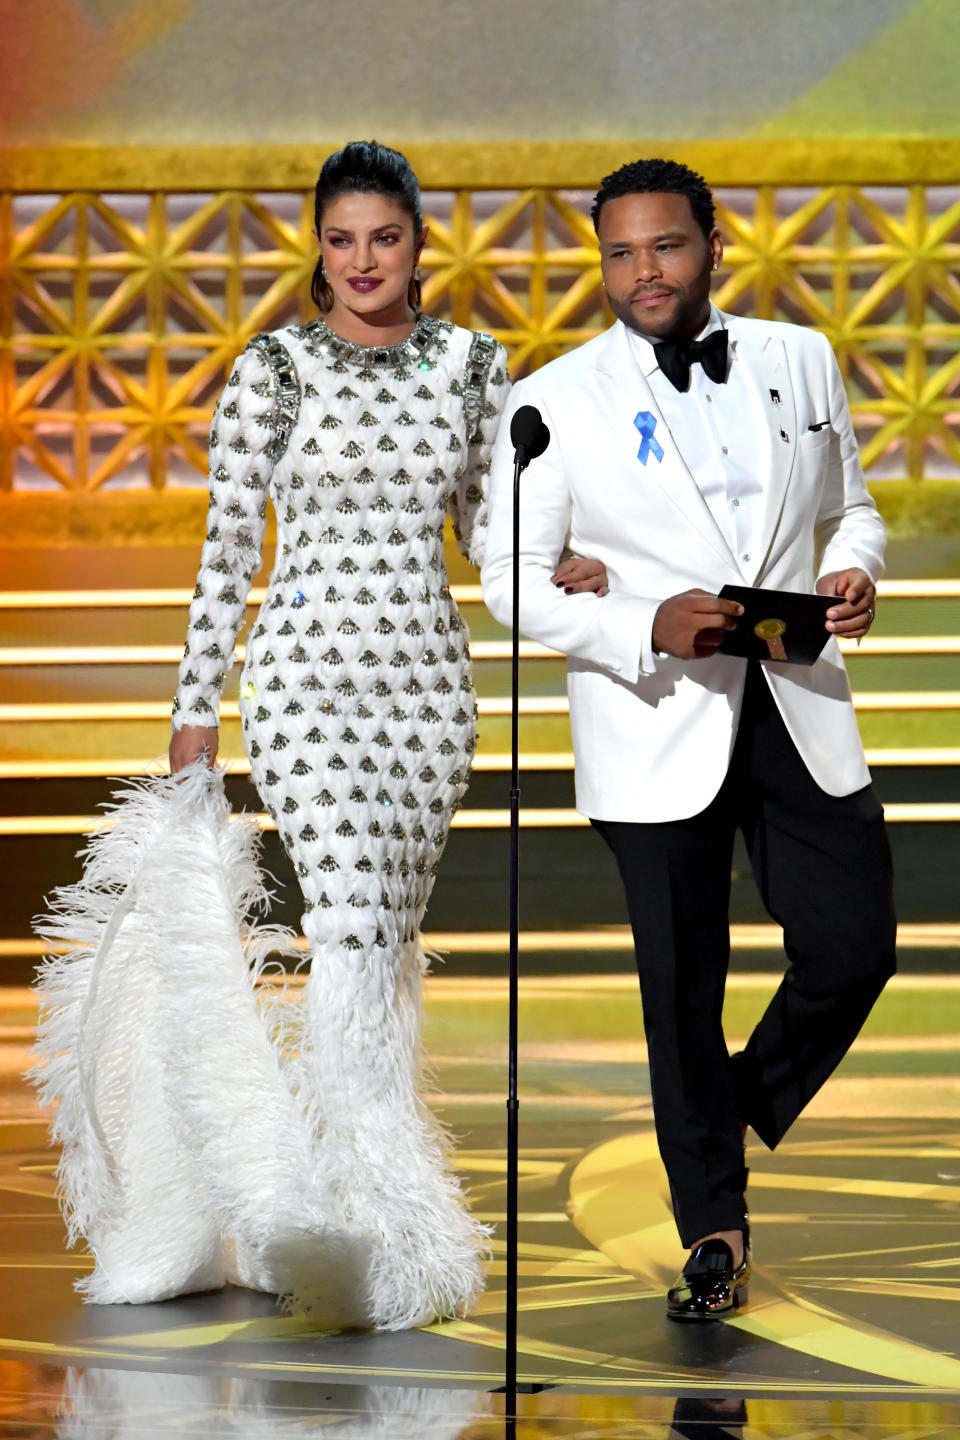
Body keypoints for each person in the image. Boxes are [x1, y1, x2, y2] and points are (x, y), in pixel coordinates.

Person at [34, 141, 605, 1332]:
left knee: (383, 946)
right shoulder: (273, 373)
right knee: (345, 927)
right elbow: (227, 550)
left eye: (383, 238)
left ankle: (320, 1194)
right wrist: (197, 704)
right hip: (303, 690)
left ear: (418, 244)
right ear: (319, 250)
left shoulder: (472, 368)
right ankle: (373, 1220)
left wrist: (553, 562)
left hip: (424, 695)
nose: (362, 262)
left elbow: (484, 530)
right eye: (340, 240)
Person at [481, 157, 896, 1322]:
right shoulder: (554, 400)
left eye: (664, 247)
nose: (642, 272)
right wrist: (634, 621)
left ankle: (721, 1110)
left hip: (797, 699)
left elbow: (848, 500)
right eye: (619, 253)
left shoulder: (800, 357)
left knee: (855, 948)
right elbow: (509, 577)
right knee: (683, 993)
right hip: (654, 713)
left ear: (715, 245)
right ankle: (712, 1227)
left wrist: (853, 565)